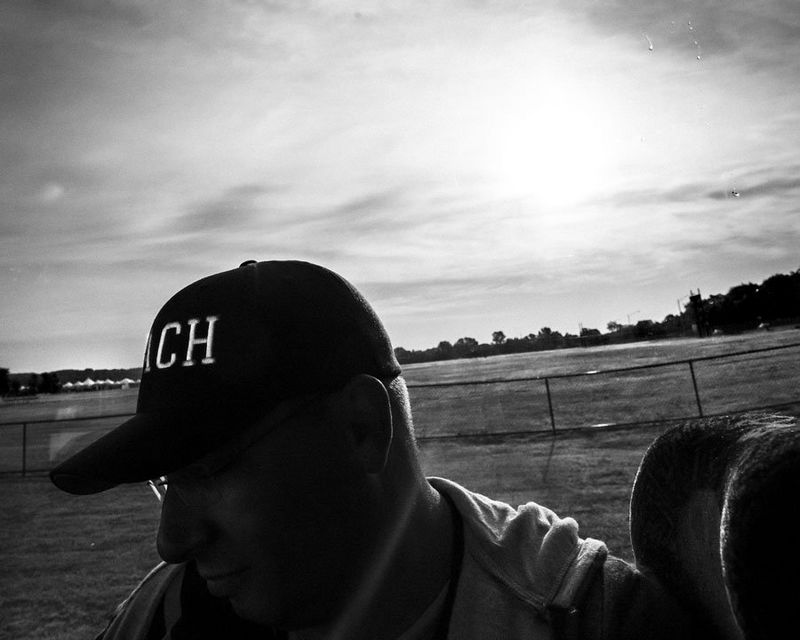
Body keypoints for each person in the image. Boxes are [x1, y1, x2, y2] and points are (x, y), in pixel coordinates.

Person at [51, 260, 701, 640]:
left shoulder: (590, 621)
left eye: (205, 468)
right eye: (166, 479)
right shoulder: (163, 615)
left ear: (361, 428)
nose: (171, 540)